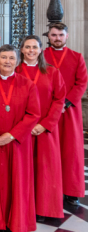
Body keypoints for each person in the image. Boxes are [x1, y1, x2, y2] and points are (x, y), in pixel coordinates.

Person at [0, 44, 40, 232]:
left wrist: (12, 135)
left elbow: (33, 114)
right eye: (4, 58)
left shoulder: (27, 84)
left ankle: (16, 221)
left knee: (17, 182)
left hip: (17, 144)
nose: (7, 62)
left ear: (17, 61)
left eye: (11, 58)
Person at [17, 35, 65, 220]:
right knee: (24, 169)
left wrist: (44, 124)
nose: (30, 51)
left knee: (45, 169)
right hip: (22, 129)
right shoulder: (16, 71)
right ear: (21, 50)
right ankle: (24, 206)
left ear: (40, 50)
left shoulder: (52, 72)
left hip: (45, 130)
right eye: (27, 47)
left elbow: (59, 99)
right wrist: (26, 126)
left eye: (34, 47)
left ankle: (44, 209)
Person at [44, 23, 87, 206]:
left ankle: (71, 192)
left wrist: (65, 103)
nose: (57, 38)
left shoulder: (77, 57)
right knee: (48, 151)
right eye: (54, 35)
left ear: (67, 36)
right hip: (47, 111)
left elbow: (81, 82)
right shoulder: (41, 55)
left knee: (70, 151)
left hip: (69, 112)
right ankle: (48, 190)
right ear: (49, 36)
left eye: (61, 35)